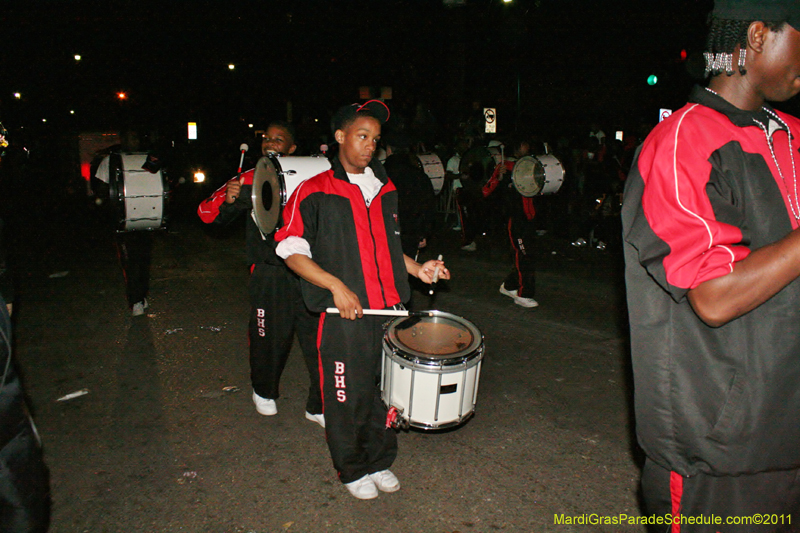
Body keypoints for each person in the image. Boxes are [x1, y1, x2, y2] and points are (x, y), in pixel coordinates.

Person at [622, 1, 800, 527]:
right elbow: (715, 295)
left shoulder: (791, 134)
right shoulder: (682, 140)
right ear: (759, 35)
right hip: (721, 457)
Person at [275, 100, 449, 500]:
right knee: (346, 395)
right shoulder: (315, 190)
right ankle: (351, 467)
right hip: (343, 314)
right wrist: (335, 285)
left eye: (375, 138)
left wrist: (417, 269)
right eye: (362, 135)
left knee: (383, 393)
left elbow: (387, 247)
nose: (371, 145)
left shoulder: (384, 187)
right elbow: (290, 248)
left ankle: (379, 459)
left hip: (387, 309)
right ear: (340, 136)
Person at [197, 122, 324, 427]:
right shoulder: (250, 177)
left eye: (279, 140)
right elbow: (207, 214)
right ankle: (264, 391)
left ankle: (319, 404)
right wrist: (229, 201)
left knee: (320, 339)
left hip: (310, 271)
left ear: (292, 149)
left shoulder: (315, 176)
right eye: (267, 138)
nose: (270, 142)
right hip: (270, 273)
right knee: (269, 337)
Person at [93, 128, 158, 317]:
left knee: (144, 260)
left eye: (134, 137)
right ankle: (136, 300)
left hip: (146, 215)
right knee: (130, 261)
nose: (132, 141)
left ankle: (141, 295)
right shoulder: (110, 161)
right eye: (129, 137)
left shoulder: (150, 159)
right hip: (122, 219)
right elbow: (101, 189)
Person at [482, 137, 538, 308]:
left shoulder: (531, 164)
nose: (527, 146)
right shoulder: (506, 167)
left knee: (527, 255)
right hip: (516, 218)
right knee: (523, 255)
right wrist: (499, 178)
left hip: (529, 218)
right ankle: (523, 294)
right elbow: (486, 191)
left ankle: (509, 286)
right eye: (524, 144)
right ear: (518, 147)